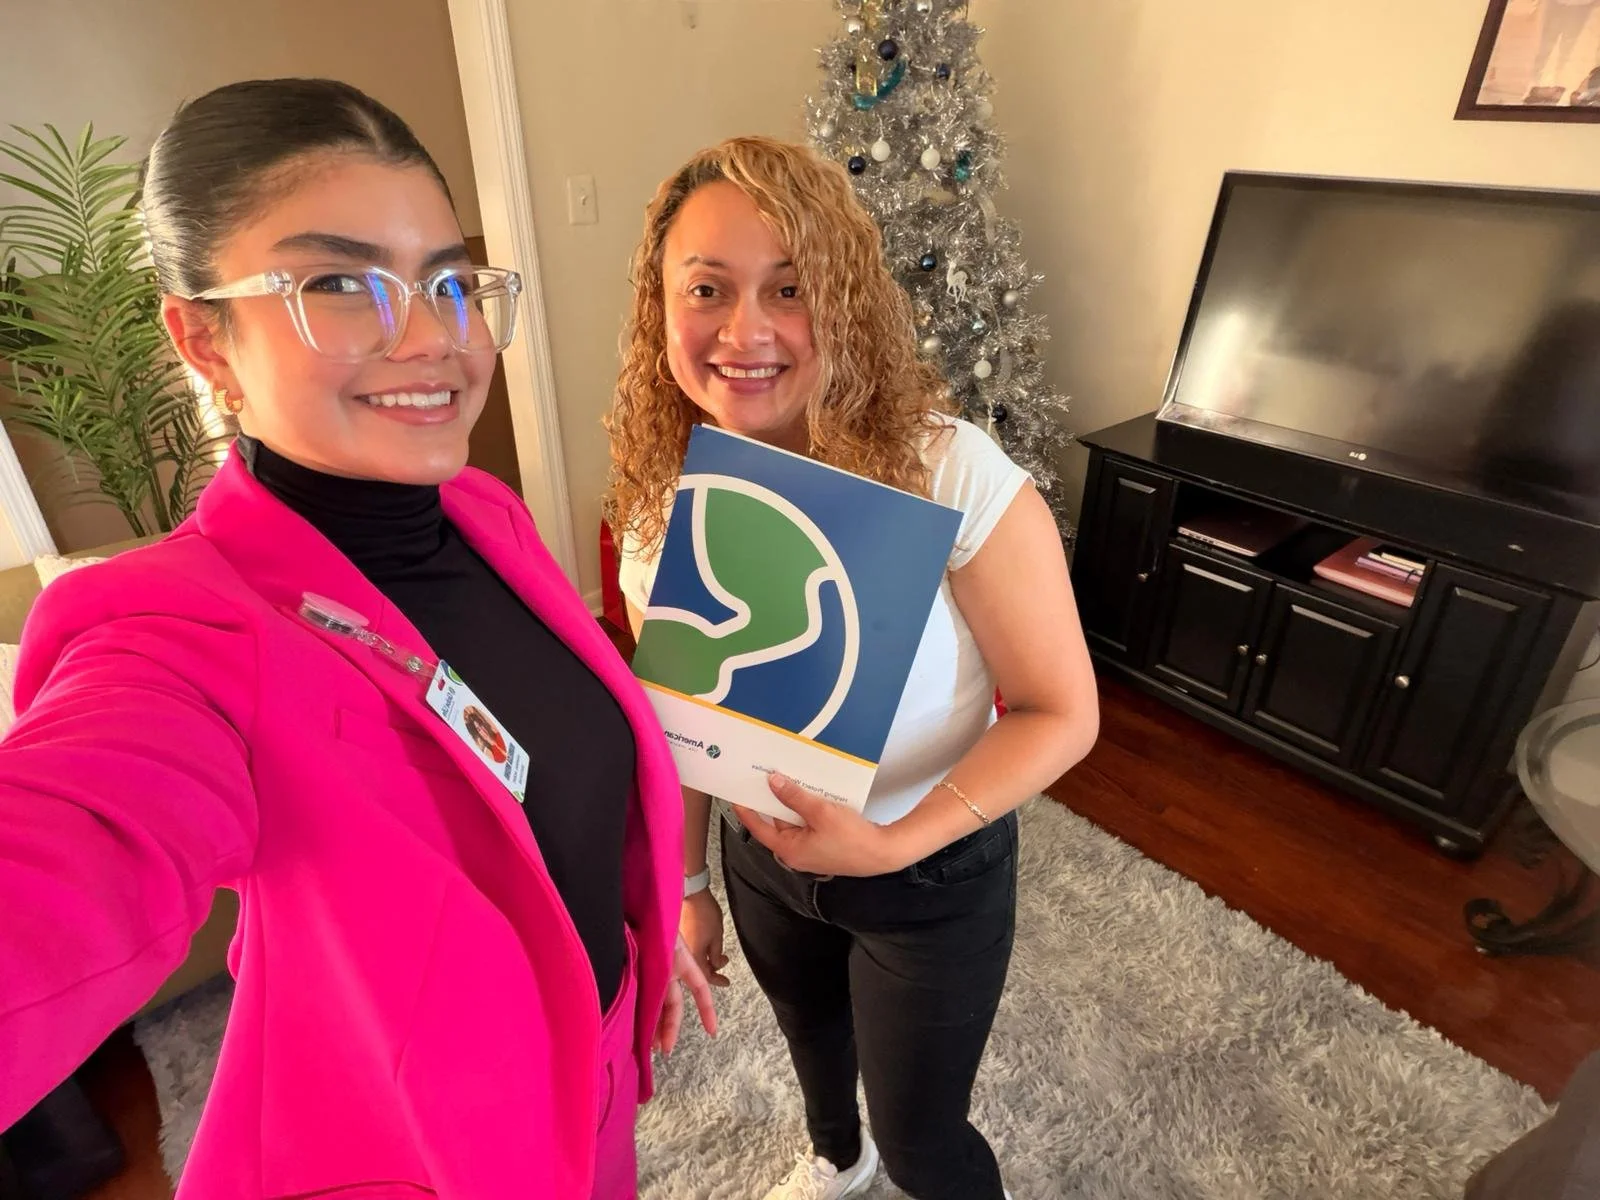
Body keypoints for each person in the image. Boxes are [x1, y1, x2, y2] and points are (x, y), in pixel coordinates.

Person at [0, 78, 713, 1199]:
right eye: (338, 282)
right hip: (418, 1157)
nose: (433, 338)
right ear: (203, 338)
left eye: (447, 280)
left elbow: (553, 782)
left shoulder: (485, 514)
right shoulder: (176, 632)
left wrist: (630, 923)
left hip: (593, 1076)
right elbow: (63, 855)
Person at [608, 137, 1099, 1200]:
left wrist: (892, 846)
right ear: (661, 306)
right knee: (815, 1059)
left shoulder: (950, 469)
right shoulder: (664, 500)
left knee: (926, 1141)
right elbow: (683, 722)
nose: (745, 332)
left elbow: (1062, 712)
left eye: (789, 288)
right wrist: (687, 882)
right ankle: (836, 1159)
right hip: (763, 860)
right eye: (707, 288)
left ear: (843, 297)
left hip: (930, 871)